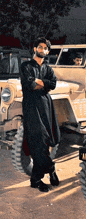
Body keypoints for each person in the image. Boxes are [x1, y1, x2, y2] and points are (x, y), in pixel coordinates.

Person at [20, 37, 61, 193]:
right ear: (35, 48)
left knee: (45, 140)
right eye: (40, 47)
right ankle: (51, 168)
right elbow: (28, 84)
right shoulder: (26, 65)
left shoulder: (48, 68)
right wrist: (44, 83)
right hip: (31, 106)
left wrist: (40, 82)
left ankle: (35, 179)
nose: (42, 49)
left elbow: (53, 83)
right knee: (38, 138)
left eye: (45, 48)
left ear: (48, 51)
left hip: (46, 105)